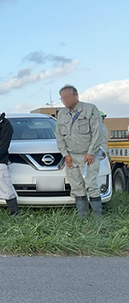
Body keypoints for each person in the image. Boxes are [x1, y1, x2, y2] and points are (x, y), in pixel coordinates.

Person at [55, 84, 104, 217]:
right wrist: (65, 155)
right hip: (71, 156)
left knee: (91, 184)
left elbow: (97, 132)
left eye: (67, 97)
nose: (64, 100)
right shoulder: (62, 114)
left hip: (88, 155)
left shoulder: (90, 110)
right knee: (76, 186)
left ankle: (97, 216)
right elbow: (59, 136)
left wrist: (91, 152)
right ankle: (83, 216)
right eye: (62, 98)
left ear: (76, 96)